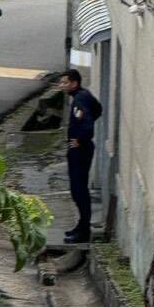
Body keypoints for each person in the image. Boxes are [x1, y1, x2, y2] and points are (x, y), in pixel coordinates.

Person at [57, 69, 101, 244]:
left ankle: (84, 231)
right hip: (79, 149)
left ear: (74, 83)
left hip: (80, 151)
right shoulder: (83, 96)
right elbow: (98, 109)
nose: (62, 86)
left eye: (65, 83)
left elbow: (88, 126)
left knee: (79, 191)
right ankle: (81, 226)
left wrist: (80, 140)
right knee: (77, 190)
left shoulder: (79, 100)